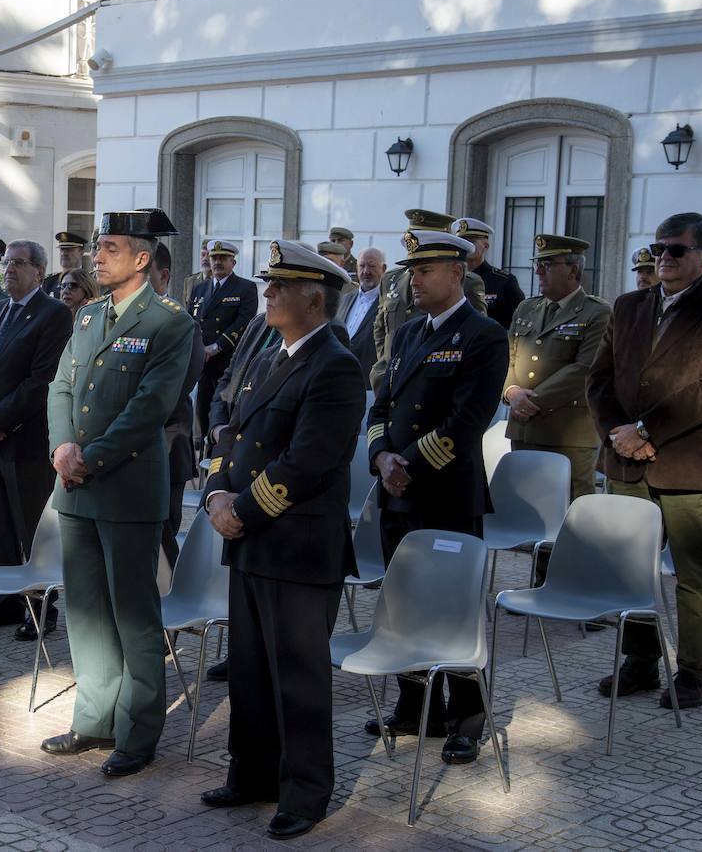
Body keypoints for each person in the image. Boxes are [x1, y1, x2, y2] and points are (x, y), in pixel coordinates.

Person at [199, 241, 364, 840]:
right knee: (249, 670)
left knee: (297, 677)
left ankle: (305, 792)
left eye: (279, 287)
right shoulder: (276, 355)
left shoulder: (335, 364)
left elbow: (309, 461)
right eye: (268, 285)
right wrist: (217, 495)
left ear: (314, 300)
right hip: (250, 539)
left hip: (294, 545)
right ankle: (253, 774)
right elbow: (231, 433)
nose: (265, 293)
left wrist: (242, 510)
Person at [41, 208, 195, 778]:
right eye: (97, 247)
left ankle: (137, 730)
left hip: (126, 488)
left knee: (134, 616)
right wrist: (62, 450)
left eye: (108, 248)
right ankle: (94, 718)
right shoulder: (86, 318)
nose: (95, 257)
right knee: (85, 612)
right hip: (75, 489)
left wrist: (90, 458)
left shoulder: (170, 323)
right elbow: (60, 388)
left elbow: (151, 408)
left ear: (141, 260)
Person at [588, 212, 702, 710]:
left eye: (677, 249)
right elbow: (599, 379)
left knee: (695, 574)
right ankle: (639, 661)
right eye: (659, 247)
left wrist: (643, 431)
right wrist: (618, 435)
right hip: (627, 462)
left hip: (689, 465)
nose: (664, 256)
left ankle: (694, 673)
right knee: (631, 567)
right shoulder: (628, 305)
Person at [365, 228, 508, 765]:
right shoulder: (405, 335)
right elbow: (381, 408)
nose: (413, 281)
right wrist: (381, 458)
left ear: (456, 273)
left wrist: (410, 466)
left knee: (454, 607)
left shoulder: (484, 335)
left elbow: (468, 420)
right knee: (403, 601)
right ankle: (414, 704)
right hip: (396, 492)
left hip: (447, 493)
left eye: (424, 272)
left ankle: (468, 715)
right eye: (410, 271)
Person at [0, 240, 74, 639]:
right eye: (5, 263)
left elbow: (43, 380)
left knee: (31, 527)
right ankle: (4, 601)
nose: (9, 269)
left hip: (24, 439)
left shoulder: (54, 314)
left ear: (39, 272)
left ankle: (41, 606)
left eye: (19, 264)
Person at [503, 235, 609, 503]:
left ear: (573, 269)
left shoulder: (596, 313)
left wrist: (529, 401)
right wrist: (512, 392)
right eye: (538, 263)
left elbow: (585, 368)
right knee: (524, 509)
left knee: (570, 513)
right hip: (524, 427)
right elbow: (508, 359)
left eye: (548, 264)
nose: (538, 270)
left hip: (568, 432)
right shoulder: (527, 308)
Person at [368, 209, 488, 391]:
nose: (415, 243)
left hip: (431, 384)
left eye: (422, 237)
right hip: (387, 381)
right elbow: (380, 327)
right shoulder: (391, 278)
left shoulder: (467, 282)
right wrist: (387, 363)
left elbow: (474, 335)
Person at [149, 242, 205, 569]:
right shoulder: (113, 318)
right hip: (121, 451)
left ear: (164, 276)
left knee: (161, 543)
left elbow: (172, 390)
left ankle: (171, 613)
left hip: (165, 443)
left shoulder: (182, 325)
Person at [188, 239, 259, 450]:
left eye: (223, 258)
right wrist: (198, 348)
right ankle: (206, 455)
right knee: (202, 411)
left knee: (224, 413)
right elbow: (192, 322)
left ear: (233, 262)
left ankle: (221, 456)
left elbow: (244, 322)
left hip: (229, 363)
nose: (217, 262)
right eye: (214, 258)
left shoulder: (245, 288)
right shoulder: (198, 289)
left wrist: (217, 347)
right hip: (204, 363)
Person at [458, 217, 524, 329]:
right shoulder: (450, 279)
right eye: (462, 241)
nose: (466, 246)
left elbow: (520, 321)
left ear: (486, 246)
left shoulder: (504, 281)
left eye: (471, 241)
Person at [338, 247, 385, 387]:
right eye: (362, 266)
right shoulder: (344, 299)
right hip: (336, 381)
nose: (366, 272)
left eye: (372, 266)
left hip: (367, 384)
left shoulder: (390, 303)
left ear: (383, 269)